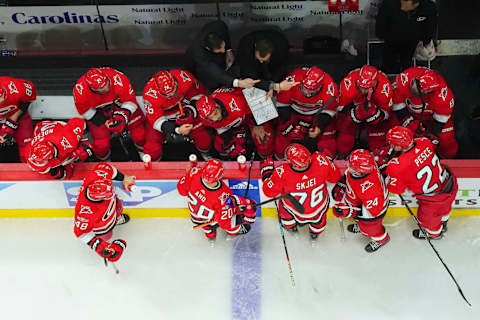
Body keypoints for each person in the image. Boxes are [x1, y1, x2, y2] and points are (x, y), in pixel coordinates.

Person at [385, 126, 458, 239]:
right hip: (450, 185)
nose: (390, 145)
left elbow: (396, 190)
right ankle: (444, 223)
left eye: (392, 143)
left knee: (428, 221)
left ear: (399, 146)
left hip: (432, 201)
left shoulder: (396, 166)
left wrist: (389, 177)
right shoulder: (424, 142)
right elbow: (417, 158)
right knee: (445, 209)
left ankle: (434, 234)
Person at [261, 143, 341, 239]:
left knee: (284, 208)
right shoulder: (321, 160)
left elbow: (268, 192)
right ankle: (314, 235)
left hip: (294, 210)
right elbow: (335, 177)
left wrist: (267, 173)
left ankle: (291, 228)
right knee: (319, 222)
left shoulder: (282, 172)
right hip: (318, 209)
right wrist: (329, 160)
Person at [73, 67, 151, 160]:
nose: (106, 88)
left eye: (106, 84)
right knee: (101, 145)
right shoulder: (80, 91)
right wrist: (104, 121)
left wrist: (122, 116)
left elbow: (130, 101)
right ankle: (106, 162)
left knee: (140, 135)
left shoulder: (119, 79)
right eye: (101, 89)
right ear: (92, 89)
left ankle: (143, 154)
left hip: (122, 105)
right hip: (99, 112)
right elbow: (85, 111)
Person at [177, 159, 256, 241]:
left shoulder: (194, 173)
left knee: (208, 230)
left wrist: (188, 174)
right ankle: (234, 233)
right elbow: (225, 224)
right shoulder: (223, 194)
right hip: (211, 220)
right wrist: (242, 218)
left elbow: (181, 191)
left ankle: (211, 238)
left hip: (195, 218)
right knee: (232, 225)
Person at [142, 69, 212, 161]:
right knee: (152, 150)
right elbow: (157, 121)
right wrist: (178, 130)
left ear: (175, 82)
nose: (171, 95)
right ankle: (152, 166)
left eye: (173, 90)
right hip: (163, 117)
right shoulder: (149, 95)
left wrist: (191, 111)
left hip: (185, 110)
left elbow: (200, 96)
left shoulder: (185, 78)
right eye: (167, 94)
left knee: (204, 140)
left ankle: (206, 154)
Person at [74, 162, 135, 263]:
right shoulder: (85, 213)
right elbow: (80, 232)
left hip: (112, 209)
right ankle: (108, 234)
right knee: (106, 236)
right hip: (102, 227)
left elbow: (107, 167)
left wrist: (124, 178)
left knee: (118, 208)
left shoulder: (98, 176)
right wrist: (100, 246)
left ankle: (116, 219)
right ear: (100, 198)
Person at [331, 149, 390, 252]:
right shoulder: (367, 164)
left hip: (373, 214)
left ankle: (381, 239)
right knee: (360, 222)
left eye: (353, 168)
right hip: (358, 202)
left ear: (361, 172)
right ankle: (360, 225)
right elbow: (349, 175)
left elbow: (372, 212)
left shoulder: (371, 190)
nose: (349, 168)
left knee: (371, 230)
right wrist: (342, 183)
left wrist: (349, 211)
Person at [392, 66, 457, 158]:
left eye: (418, 88)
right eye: (414, 82)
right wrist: (407, 120)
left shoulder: (443, 96)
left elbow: (441, 118)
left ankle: (448, 161)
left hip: (435, 116)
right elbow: (395, 102)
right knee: (398, 137)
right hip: (410, 114)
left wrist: (432, 135)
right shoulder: (405, 79)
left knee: (446, 141)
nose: (413, 87)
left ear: (428, 92)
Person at [275, 66, 338, 159]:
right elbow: (281, 104)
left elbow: (329, 111)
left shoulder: (331, 91)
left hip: (317, 114)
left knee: (329, 144)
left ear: (320, 87)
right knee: (281, 143)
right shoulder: (291, 81)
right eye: (304, 88)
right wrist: (289, 122)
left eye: (311, 90)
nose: (306, 92)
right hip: (292, 111)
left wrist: (320, 127)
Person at [196, 88, 275, 160]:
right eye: (210, 118)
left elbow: (260, 97)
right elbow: (218, 126)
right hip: (236, 123)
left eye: (215, 113)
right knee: (223, 147)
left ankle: (267, 161)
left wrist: (258, 124)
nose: (215, 119)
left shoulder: (237, 103)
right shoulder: (204, 119)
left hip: (252, 114)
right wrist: (226, 138)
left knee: (264, 142)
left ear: (218, 106)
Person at [336, 65, 394, 159]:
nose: (363, 90)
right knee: (345, 126)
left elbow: (387, 113)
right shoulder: (348, 84)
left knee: (380, 127)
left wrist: (375, 116)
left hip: (376, 107)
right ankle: (341, 154)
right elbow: (340, 108)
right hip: (353, 105)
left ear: (375, 84)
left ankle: (380, 154)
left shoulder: (385, 88)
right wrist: (354, 114)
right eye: (361, 86)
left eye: (366, 88)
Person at [185, 20, 259, 91]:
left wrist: (228, 50)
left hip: (214, 58)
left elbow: (225, 34)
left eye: (223, 47)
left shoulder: (219, 26)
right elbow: (214, 71)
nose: (223, 51)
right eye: (220, 51)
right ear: (208, 49)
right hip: (199, 68)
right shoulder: (198, 52)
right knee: (212, 80)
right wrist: (238, 83)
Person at [376, 0, 438, 74]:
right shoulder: (388, 6)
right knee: (388, 67)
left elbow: (430, 29)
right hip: (391, 44)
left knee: (407, 67)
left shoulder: (428, 8)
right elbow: (380, 31)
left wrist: (424, 41)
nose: (404, 7)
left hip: (412, 46)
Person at [26, 118, 94, 179]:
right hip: (43, 128)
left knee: (84, 153)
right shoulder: (32, 147)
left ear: (51, 158)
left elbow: (79, 121)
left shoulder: (68, 140)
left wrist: (77, 151)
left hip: (63, 130)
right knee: (56, 172)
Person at [235, 29, 291, 94]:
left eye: (264, 59)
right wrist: (271, 86)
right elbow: (249, 76)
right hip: (250, 59)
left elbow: (281, 67)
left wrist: (273, 83)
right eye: (259, 58)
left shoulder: (281, 46)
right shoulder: (245, 47)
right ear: (255, 47)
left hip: (275, 55)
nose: (261, 61)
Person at [0, 76, 37, 162]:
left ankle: (29, 168)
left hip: (17, 115)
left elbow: (26, 102)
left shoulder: (18, 89)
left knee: (27, 146)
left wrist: (9, 127)